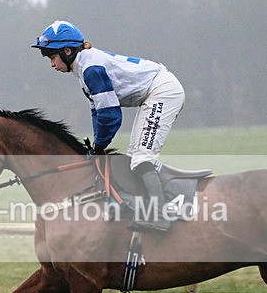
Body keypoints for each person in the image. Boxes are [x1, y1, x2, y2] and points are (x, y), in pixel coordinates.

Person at [32, 20, 185, 232]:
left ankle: (160, 215)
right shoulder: (83, 67)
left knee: (141, 157)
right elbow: (97, 111)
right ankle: (149, 204)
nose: (51, 64)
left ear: (67, 51)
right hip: (156, 92)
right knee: (135, 157)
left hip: (163, 92)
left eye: (52, 57)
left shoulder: (91, 68)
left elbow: (110, 115)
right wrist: (97, 144)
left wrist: (99, 145)